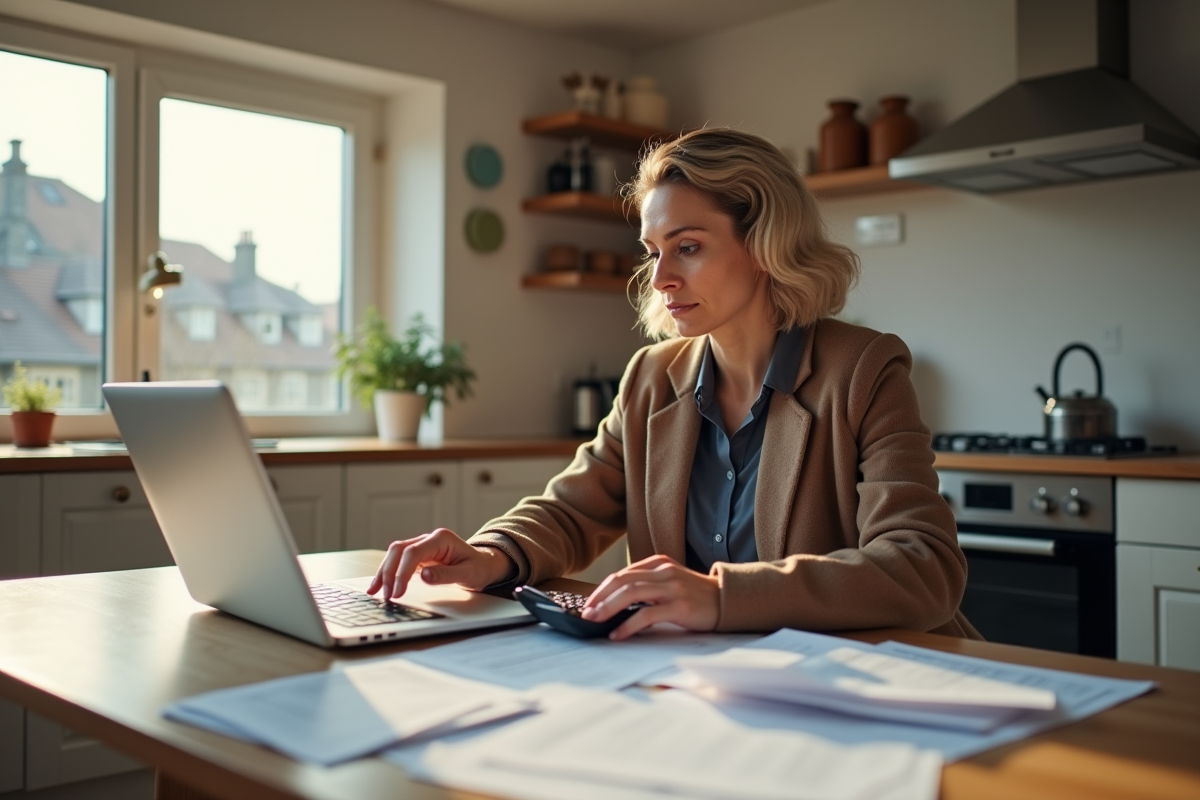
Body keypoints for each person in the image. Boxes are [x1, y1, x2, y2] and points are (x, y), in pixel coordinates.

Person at [369, 127, 978, 642]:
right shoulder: (651, 378)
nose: (659, 278)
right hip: (705, 680)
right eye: (652, 251)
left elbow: (923, 568)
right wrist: (491, 554)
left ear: (766, 243)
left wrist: (720, 596)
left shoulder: (864, 370)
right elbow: (571, 511)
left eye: (687, 247)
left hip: (866, 687)